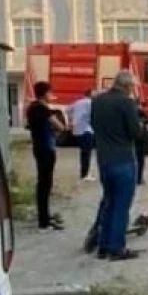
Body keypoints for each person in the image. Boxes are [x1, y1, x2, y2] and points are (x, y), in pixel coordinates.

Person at [87, 71, 141, 261]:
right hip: (123, 159)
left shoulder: (98, 101)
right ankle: (116, 248)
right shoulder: (127, 103)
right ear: (128, 86)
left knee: (109, 202)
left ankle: (103, 245)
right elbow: (135, 132)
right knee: (121, 205)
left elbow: (93, 124)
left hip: (104, 159)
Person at [25, 81, 65, 231]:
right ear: (44, 93)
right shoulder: (42, 108)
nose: (51, 96)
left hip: (38, 147)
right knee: (45, 184)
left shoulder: (31, 108)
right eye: (49, 92)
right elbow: (60, 126)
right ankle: (44, 221)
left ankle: (45, 217)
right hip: (46, 149)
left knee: (42, 183)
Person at [69, 88, 96, 182]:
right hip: (87, 130)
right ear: (91, 94)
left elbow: (68, 110)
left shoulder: (78, 102)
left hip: (77, 130)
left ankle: (83, 173)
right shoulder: (90, 103)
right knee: (87, 153)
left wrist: (72, 120)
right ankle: (85, 174)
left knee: (83, 152)